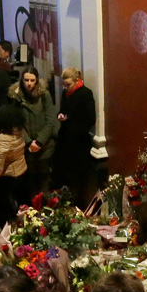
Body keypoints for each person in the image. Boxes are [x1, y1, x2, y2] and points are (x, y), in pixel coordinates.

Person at [51, 67, 96, 206]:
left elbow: (90, 119)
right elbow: (63, 109)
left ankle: (77, 205)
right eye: (64, 85)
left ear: (77, 81)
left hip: (78, 142)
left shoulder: (86, 94)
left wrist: (69, 120)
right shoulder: (66, 93)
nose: (65, 87)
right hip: (66, 139)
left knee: (77, 178)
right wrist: (60, 115)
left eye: (68, 84)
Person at [9, 67, 58, 192]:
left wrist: (40, 141)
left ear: (36, 81)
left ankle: (44, 207)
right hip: (26, 145)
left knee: (44, 178)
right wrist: (29, 142)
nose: (29, 83)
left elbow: (50, 120)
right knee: (30, 179)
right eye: (26, 80)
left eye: (32, 80)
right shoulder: (16, 96)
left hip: (44, 145)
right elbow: (16, 123)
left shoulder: (44, 95)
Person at [0, 102, 29, 229]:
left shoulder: (2, 138)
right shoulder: (19, 131)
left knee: (5, 206)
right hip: (21, 171)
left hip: (8, 176)